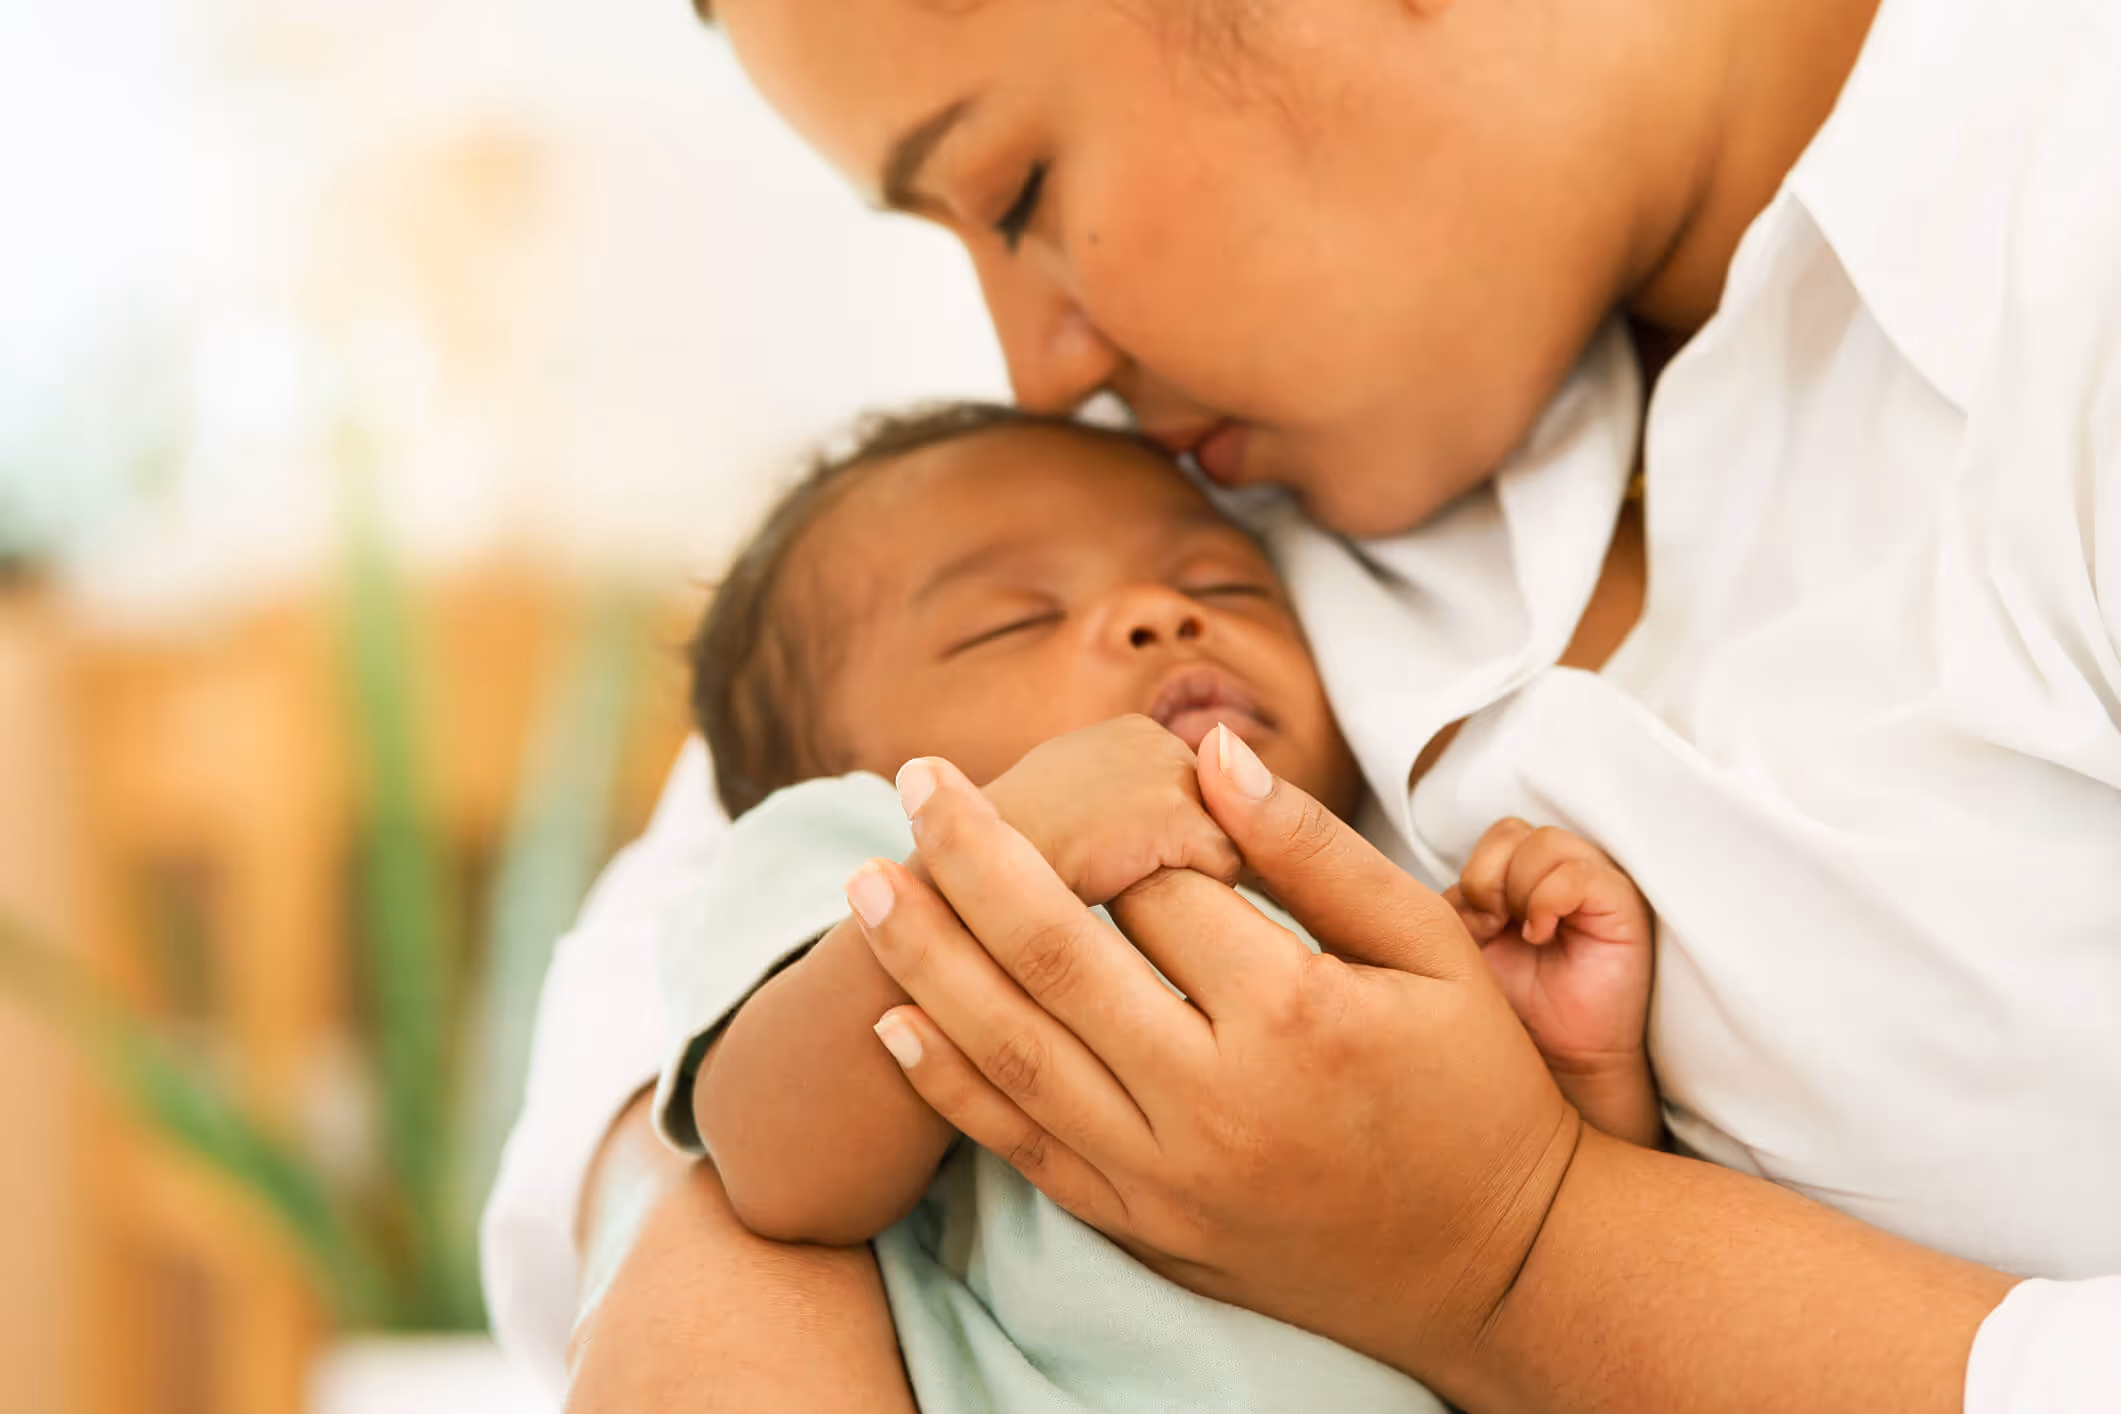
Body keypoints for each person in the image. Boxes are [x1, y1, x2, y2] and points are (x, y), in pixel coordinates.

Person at [487, 0, 2121, 1408]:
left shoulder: (2060, 297)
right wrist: (729, 1246)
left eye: (1019, 187)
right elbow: (711, 935)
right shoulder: (1201, 468)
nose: (1042, 365)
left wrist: (1524, 1254)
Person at [649, 401, 1659, 1411]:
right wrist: (991, 867)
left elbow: (1553, 1288)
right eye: (1016, 620)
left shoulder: (1372, 898)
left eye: (1223, 583)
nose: (1162, 612)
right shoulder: (859, 841)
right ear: (832, 762)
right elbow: (776, 1164)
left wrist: (1571, 1078)